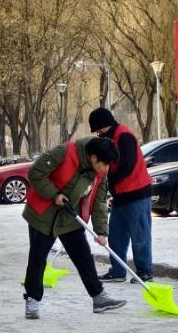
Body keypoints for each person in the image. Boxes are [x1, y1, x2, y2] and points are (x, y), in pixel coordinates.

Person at [22, 136, 127, 319]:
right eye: (105, 164)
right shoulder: (65, 152)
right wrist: (54, 194)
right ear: (93, 158)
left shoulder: (100, 173)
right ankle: (32, 299)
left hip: (70, 216)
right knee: (37, 259)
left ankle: (99, 297)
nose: (107, 168)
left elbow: (99, 202)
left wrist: (101, 231)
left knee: (83, 257)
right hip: (43, 214)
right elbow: (35, 173)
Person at [89, 107, 154, 284]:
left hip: (137, 193)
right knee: (116, 236)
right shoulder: (109, 138)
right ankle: (118, 271)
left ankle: (144, 272)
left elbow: (127, 165)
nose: (97, 133)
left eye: (98, 129)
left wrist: (110, 180)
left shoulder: (124, 136)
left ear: (105, 125)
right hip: (120, 196)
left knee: (140, 235)